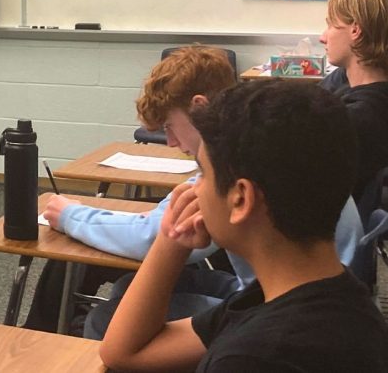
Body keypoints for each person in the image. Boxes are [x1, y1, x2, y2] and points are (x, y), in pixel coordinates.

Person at [27, 46, 362, 337]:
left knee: (110, 320)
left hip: (279, 303)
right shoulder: (265, 142)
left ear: (200, 107)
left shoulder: (236, 167)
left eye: (171, 126)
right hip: (310, 290)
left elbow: (152, 236)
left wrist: (70, 214)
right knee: (130, 290)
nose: (171, 142)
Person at [99, 80, 388, 371]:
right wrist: (172, 240)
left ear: (240, 199)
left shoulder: (254, 357)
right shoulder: (313, 296)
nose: (196, 190)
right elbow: (124, 353)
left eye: (202, 173)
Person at [319, 0, 388, 223]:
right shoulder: (342, 79)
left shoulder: (362, 117)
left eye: (330, 25)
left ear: (355, 30)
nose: (322, 37)